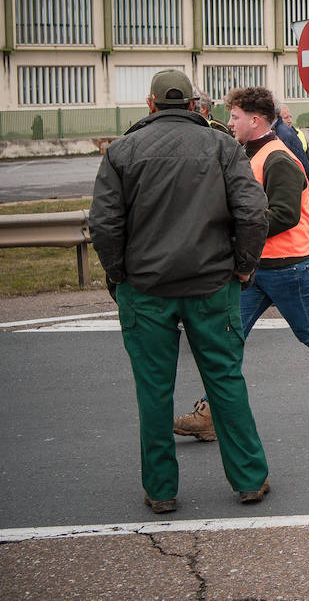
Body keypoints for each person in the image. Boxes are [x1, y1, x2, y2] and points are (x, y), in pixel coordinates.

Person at [90, 69, 271, 513]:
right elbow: (253, 213)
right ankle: (249, 479)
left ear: (150, 105)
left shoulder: (123, 150)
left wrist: (118, 274)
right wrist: (243, 269)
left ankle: (161, 490)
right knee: (226, 382)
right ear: (194, 105)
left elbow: (104, 224)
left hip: (146, 287)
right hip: (212, 284)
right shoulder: (223, 145)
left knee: (153, 390)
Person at [171, 85, 309, 441]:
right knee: (230, 337)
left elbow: (285, 215)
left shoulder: (277, 158)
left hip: (287, 266)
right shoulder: (251, 153)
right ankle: (211, 412)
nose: (229, 122)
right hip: (258, 265)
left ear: (255, 119)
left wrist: (237, 230)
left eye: (234, 117)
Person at [272, 104, 309, 183]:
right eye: (286, 117)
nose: (290, 120)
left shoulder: (299, 133)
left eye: (290, 117)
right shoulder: (278, 135)